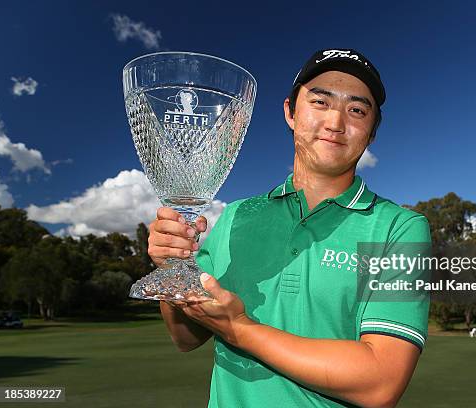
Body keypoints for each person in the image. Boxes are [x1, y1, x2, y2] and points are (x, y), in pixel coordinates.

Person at [148, 48, 432, 408]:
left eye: (357, 110)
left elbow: (380, 382)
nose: (336, 123)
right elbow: (185, 338)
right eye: (320, 102)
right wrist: (173, 266)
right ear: (290, 113)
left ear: (372, 133)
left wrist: (240, 329)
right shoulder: (236, 216)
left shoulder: (401, 229)